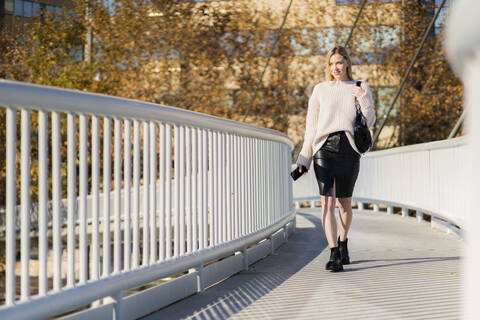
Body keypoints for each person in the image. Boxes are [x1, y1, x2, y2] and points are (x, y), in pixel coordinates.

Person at [296, 45, 376, 272]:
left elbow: (369, 121)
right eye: (331, 64)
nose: (335, 68)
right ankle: (333, 254)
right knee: (327, 202)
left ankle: (343, 242)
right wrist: (304, 158)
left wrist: (363, 99)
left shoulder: (360, 87)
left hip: (349, 149)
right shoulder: (320, 90)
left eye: (339, 62)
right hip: (324, 149)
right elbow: (311, 128)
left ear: (348, 63)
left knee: (344, 203)